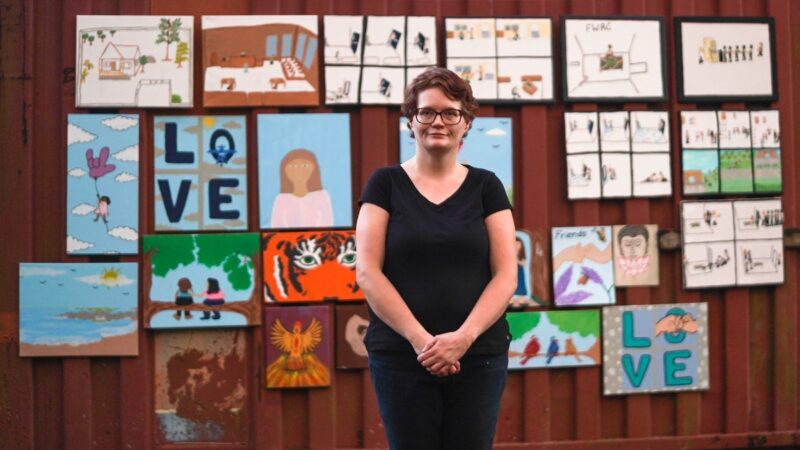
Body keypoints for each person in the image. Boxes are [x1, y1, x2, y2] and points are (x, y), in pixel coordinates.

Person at [356, 67, 517, 450]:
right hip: (401, 356)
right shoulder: (385, 184)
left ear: (466, 122)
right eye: (426, 112)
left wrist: (462, 339)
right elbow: (367, 271)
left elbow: (506, 274)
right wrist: (422, 343)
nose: (438, 122)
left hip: (479, 356)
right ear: (410, 121)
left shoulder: (487, 187)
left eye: (450, 112)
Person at [270, 148, 334, 228]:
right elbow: (276, 226)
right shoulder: (281, 199)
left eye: (305, 165)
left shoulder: (322, 196)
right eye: (293, 165)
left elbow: (327, 224)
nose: (299, 170)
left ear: (314, 168)